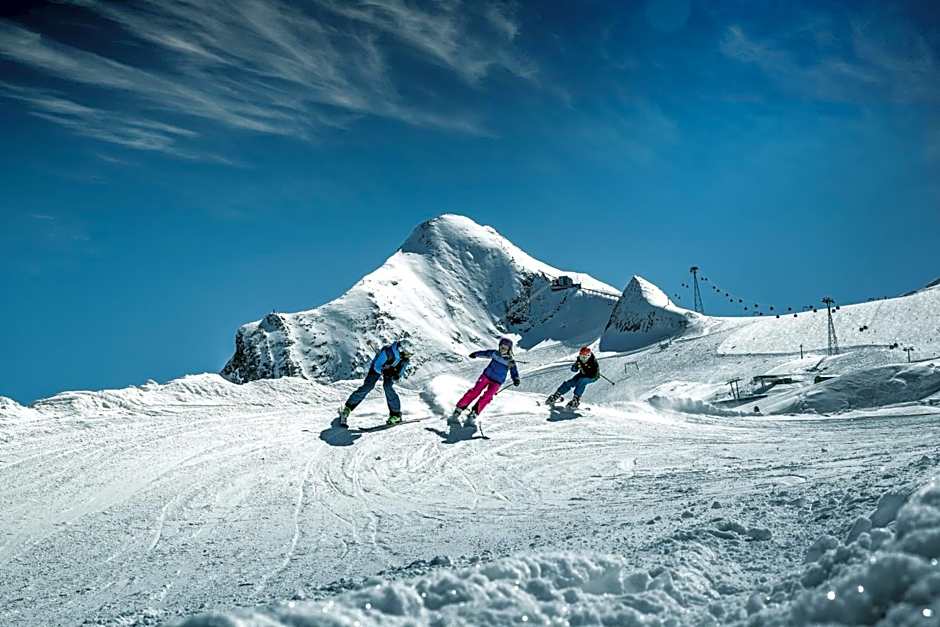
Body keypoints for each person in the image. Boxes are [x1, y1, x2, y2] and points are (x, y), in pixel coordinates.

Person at [338, 340, 413, 427]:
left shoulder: (405, 360)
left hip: (390, 372)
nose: (408, 356)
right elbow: (377, 366)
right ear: (401, 350)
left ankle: (395, 415)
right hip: (377, 368)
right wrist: (383, 370)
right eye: (407, 353)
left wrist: (395, 374)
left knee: (388, 387)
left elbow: (399, 374)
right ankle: (348, 407)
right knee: (368, 386)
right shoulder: (388, 352)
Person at [451, 337, 520, 427]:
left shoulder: (510, 361)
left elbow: (514, 371)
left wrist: (516, 379)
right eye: (502, 347)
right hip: (486, 376)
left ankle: (475, 411)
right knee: (475, 391)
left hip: (497, 382)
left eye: (505, 348)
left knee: (488, 396)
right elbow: (485, 353)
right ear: (499, 346)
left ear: (509, 349)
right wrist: (475, 354)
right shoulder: (495, 354)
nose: (503, 349)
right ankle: (460, 407)